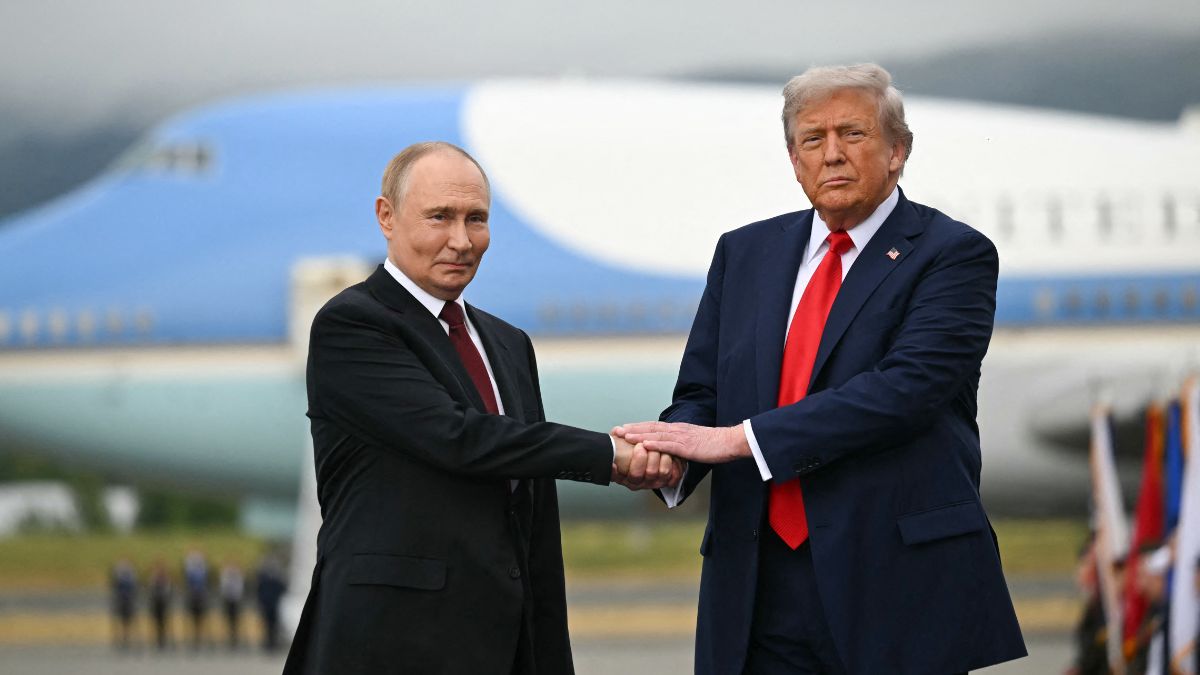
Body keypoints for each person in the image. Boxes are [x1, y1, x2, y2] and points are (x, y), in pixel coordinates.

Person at [618, 63, 1026, 674]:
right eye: (813, 139)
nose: (832, 154)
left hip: (895, 583)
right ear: (793, 157)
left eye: (853, 134)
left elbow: (906, 390)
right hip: (756, 586)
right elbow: (702, 391)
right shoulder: (744, 252)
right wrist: (671, 453)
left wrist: (738, 441)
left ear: (898, 151)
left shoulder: (953, 254)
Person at [283, 141, 677, 675]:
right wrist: (611, 455)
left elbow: (532, 513)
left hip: (502, 645)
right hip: (388, 644)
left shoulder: (507, 343)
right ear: (386, 217)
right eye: (439, 217)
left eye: (477, 219)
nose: (461, 241)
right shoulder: (353, 324)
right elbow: (459, 438)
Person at [254, 554, 286, 652]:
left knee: (274, 625)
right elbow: (259, 590)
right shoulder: (263, 577)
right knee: (266, 625)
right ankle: (268, 643)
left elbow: (282, 588)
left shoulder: (277, 577)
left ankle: (273, 643)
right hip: (266, 604)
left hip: (274, 604)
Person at [182, 548, 210, 650]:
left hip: (201, 598)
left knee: (202, 620)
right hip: (192, 597)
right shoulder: (190, 571)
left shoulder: (204, 571)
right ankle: (192, 640)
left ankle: (202, 640)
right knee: (191, 619)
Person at [110, 558, 137, 650]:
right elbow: (114, 584)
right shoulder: (119, 577)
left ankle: (129, 639)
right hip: (121, 601)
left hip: (129, 601)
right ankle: (119, 639)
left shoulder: (131, 577)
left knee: (129, 621)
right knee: (119, 620)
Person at [218, 559, 245, 649]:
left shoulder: (238, 576)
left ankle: (235, 639)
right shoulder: (225, 576)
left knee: (236, 621)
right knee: (227, 620)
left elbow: (240, 588)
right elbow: (223, 587)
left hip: (236, 600)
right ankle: (227, 639)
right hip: (227, 600)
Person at [147, 558, 172, 650]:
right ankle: (156, 640)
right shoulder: (153, 578)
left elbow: (168, 590)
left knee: (164, 622)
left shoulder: (166, 578)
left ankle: (163, 640)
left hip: (163, 603)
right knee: (155, 622)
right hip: (155, 602)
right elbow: (151, 590)